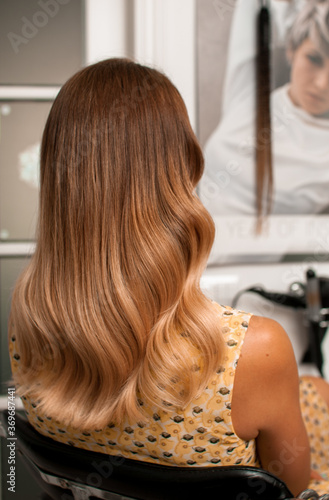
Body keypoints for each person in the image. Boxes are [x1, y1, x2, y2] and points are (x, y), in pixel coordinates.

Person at [8, 58, 329, 496]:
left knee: (314, 390)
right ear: (182, 168)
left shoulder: (26, 325)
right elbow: (290, 488)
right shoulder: (255, 350)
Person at [200, 0, 329, 216]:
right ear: (292, 50)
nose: (321, 83)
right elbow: (252, 6)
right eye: (314, 59)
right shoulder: (248, 99)